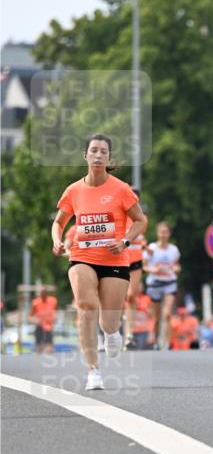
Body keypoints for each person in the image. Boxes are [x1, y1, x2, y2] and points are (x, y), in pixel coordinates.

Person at [51, 133, 146, 390]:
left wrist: (125, 241)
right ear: (85, 155)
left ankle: (112, 333)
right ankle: (93, 370)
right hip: (82, 256)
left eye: (103, 151)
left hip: (114, 257)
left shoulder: (120, 189)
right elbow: (59, 222)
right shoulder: (74, 190)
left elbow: (141, 220)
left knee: (109, 320)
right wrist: (57, 241)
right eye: (93, 150)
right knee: (86, 307)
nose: (98, 155)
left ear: (108, 158)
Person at [145, 221, 180, 349]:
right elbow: (144, 266)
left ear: (169, 234)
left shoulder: (174, 250)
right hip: (155, 284)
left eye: (166, 232)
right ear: (157, 233)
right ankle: (156, 341)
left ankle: (168, 343)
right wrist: (153, 270)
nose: (163, 235)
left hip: (170, 283)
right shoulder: (152, 248)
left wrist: (176, 268)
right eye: (161, 232)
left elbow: (177, 265)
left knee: (167, 314)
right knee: (156, 318)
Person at [124, 187, 148, 349]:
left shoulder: (142, 219)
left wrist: (144, 245)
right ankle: (110, 331)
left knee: (132, 296)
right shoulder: (119, 216)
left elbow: (139, 236)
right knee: (117, 299)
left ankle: (129, 335)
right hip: (119, 260)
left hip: (136, 261)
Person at [30, 287, 58, 354]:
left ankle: (49, 351)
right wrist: (35, 320)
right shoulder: (35, 303)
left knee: (49, 344)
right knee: (38, 344)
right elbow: (31, 316)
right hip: (39, 325)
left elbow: (55, 312)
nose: (44, 296)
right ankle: (38, 350)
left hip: (48, 326)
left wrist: (55, 317)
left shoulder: (53, 301)